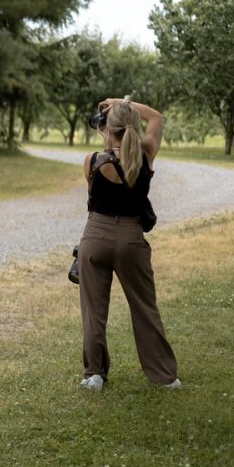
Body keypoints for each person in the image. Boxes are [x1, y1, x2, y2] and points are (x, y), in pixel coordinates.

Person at [78, 97, 180, 391]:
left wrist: (109, 127)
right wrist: (122, 104)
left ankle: (94, 375)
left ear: (107, 129)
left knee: (93, 311)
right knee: (144, 307)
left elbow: (95, 192)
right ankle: (165, 377)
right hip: (131, 240)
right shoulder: (146, 155)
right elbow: (156, 117)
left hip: (95, 237)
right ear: (134, 127)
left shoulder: (93, 160)